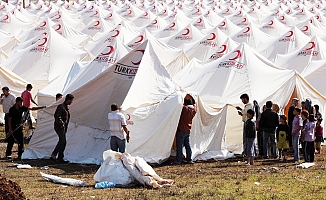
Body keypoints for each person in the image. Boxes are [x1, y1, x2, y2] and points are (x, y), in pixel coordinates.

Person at [50, 94, 74, 163]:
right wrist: (61, 124)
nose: (71, 102)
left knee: (63, 142)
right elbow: (57, 116)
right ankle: (53, 155)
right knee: (62, 141)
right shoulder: (61, 107)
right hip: (59, 127)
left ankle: (60, 158)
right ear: (68, 100)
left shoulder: (65, 107)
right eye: (71, 100)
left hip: (63, 127)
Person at [174, 98, 197, 165]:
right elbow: (195, 106)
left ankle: (178, 160)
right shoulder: (194, 110)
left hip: (182, 129)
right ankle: (189, 159)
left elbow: (180, 105)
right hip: (188, 130)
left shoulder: (185, 109)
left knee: (179, 145)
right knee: (187, 145)